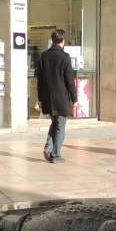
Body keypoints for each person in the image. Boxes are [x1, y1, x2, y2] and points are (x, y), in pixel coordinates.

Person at [36, 28, 77, 163]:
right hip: (61, 99)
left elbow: (39, 81)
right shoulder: (65, 57)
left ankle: (48, 148)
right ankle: (56, 155)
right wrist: (74, 98)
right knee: (60, 126)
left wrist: (40, 99)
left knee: (55, 123)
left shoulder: (43, 56)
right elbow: (70, 80)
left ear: (52, 40)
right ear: (62, 41)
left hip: (48, 98)